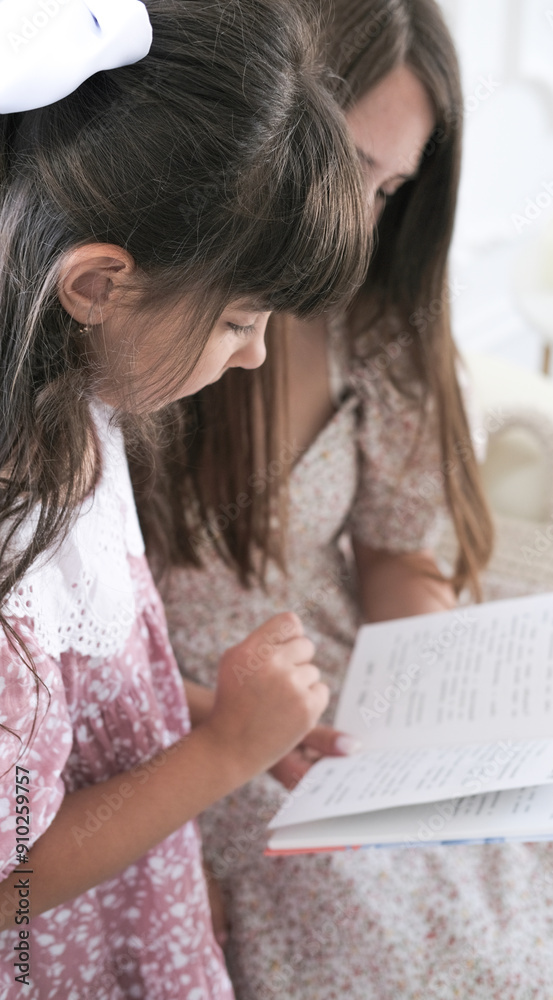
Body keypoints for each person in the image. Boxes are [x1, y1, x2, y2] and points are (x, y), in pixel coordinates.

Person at [147, 1, 553, 998]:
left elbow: (394, 549)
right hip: (198, 728)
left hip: (342, 687)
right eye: (345, 167)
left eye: (389, 189)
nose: (359, 221)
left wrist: (446, 683)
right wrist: (226, 739)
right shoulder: (144, 329)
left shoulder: (369, 319)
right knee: (427, 951)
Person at [0, 0, 371, 995]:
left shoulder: (75, 400)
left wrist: (213, 717)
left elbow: (77, 701)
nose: (255, 357)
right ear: (96, 284)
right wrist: (222, 751)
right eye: (239, 321)